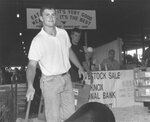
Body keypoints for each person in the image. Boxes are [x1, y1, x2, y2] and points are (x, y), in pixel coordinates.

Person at [25, 5, 85, 122]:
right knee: (53, 118)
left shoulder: (63, 33)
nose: (51, 17)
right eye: (47, 14)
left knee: (70, 114)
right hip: (49, 82)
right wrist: (30, 85)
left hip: (66, 78)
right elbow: (31, 66)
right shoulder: (38, 40)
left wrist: (79, 66)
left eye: (53, 14)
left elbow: (69, 51)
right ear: (41, 18)